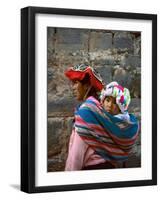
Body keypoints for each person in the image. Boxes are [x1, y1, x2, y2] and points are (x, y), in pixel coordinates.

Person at [64, 64, 139, 171]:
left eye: (76, 83)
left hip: (90, 171)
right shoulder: (101, 110)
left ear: (87, 85)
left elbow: (76, 156)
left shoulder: (87, 113)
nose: (73, 88)